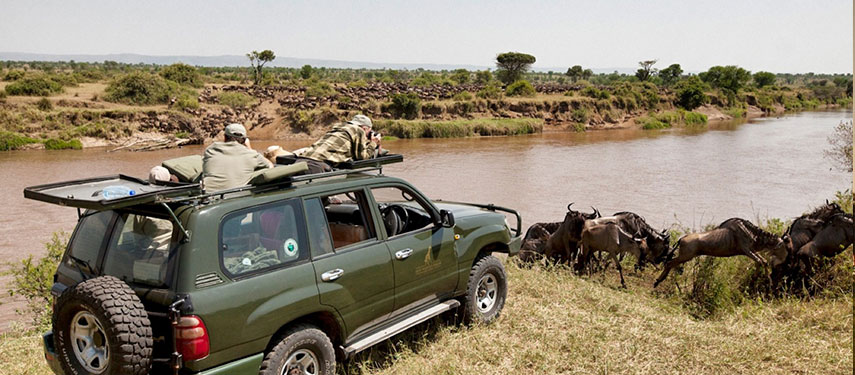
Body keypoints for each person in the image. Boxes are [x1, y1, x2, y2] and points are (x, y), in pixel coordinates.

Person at [300, 114, 381, 173]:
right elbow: (363, 158)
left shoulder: (339, 126)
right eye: (369, 132)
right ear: (364, 128)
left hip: (301, 160)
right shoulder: (359, 130)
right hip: (316, 165)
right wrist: (374, 143)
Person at [202, 123, 271, 192]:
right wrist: (249, 148)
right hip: (236, 196)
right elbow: (270, 166)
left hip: (209, 197)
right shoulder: (251, 154)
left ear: (225, 137)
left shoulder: (210, 150)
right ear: (244, 140)